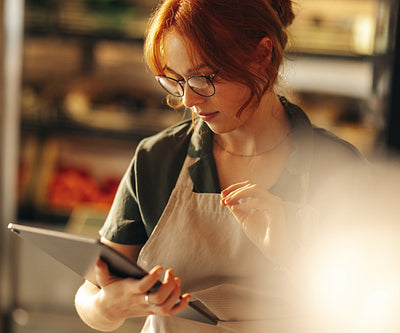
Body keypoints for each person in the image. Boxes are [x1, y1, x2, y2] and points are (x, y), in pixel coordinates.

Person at [74, 0, 362, 332]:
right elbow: (91, 292)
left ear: (261, 55)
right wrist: (108, 306)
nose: (189, 100)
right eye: (176, 80)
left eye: (203, 78)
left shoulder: (338, 169)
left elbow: (373, 309)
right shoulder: (158, 159)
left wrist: (290, 254)